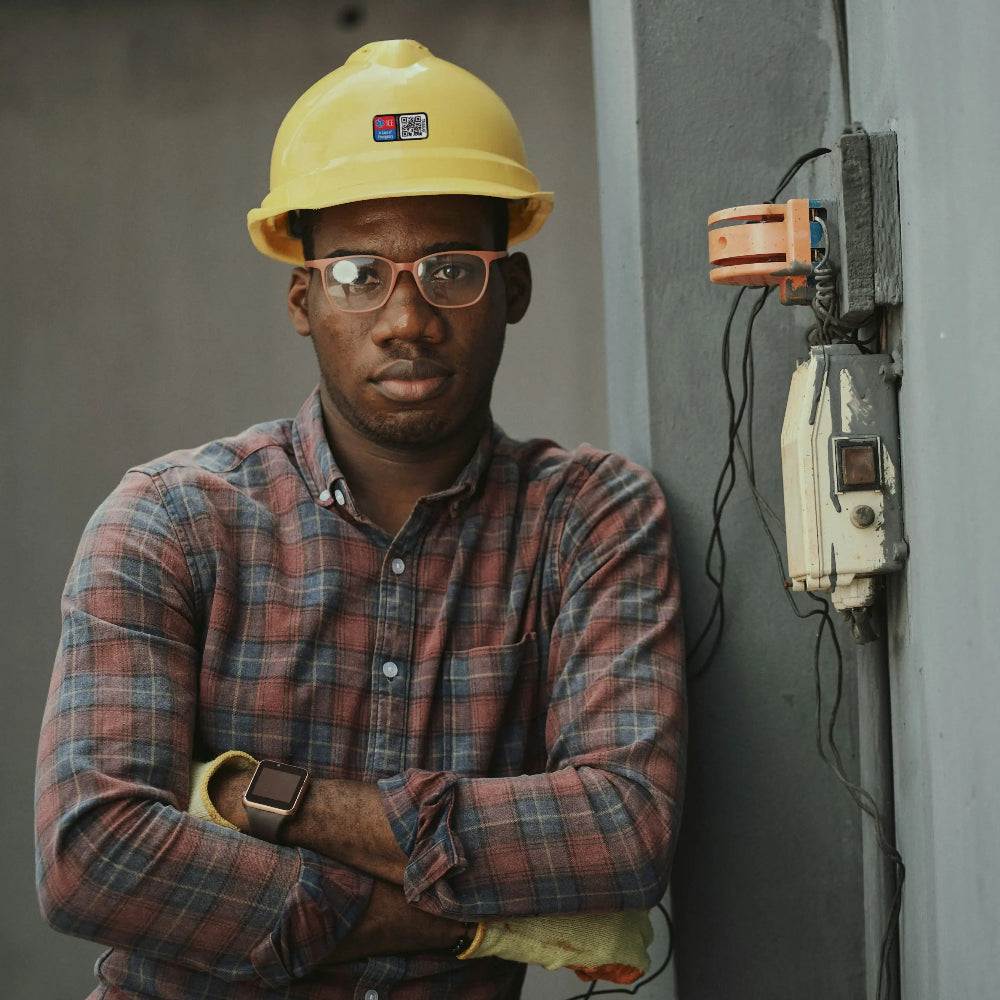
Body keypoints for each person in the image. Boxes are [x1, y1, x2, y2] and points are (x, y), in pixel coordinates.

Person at [35, 39, 686, 1000]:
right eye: (356, 275)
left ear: (514, 290)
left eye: (451, 271)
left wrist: (269, 802)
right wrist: (470, 923)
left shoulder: (589, 518)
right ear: (304, 299)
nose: (407, 318)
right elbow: (93, 856)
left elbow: (623, 833)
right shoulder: (169, 521)